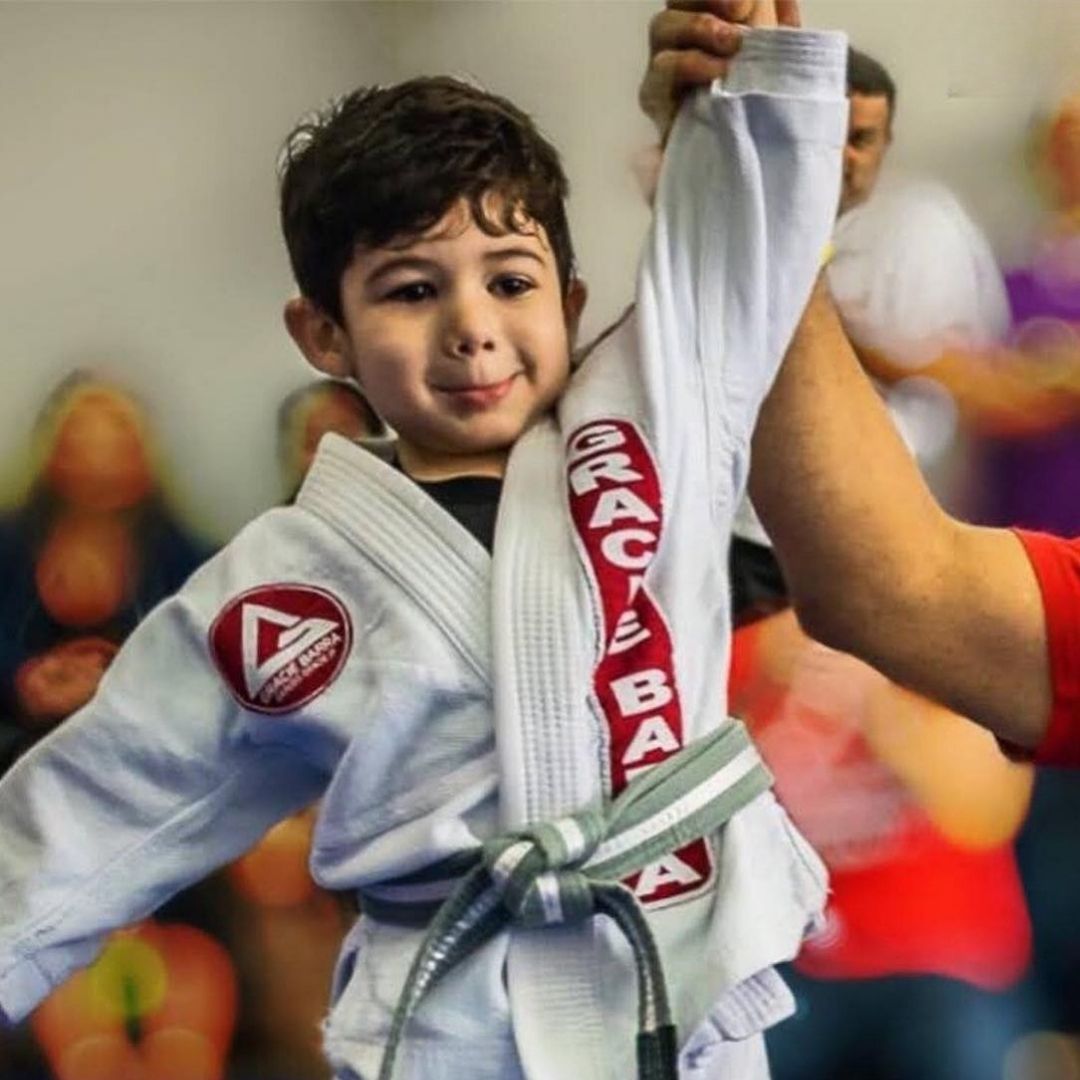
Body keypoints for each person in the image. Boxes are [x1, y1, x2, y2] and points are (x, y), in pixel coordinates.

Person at [0, 10, 849, 1080]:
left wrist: (750, 94)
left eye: (509, 280)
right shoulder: (289, 586)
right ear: (323, 335)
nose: (470, 326)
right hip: (454, 1028)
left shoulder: (649, 424)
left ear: (571, 301)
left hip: (676, 990)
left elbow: (735, 268)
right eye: (410, 290)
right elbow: (98, 802)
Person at [642, 0, 1072, 768]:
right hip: (778, 564)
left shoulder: (926, 229)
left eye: (860, 139)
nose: (842, 160)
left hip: (916, 574)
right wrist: (732, 180)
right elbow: (897, 587)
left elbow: (987, 395)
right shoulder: (1022, 267)